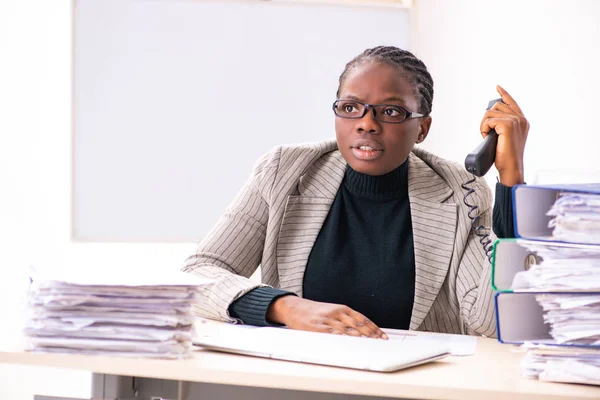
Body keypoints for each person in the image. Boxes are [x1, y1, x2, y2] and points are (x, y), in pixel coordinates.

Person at [183, 46, 529, 339]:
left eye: (391, 111)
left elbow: (493, 319)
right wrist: (284, 307)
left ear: (422, 128)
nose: (366, 123)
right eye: (351, 108)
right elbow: (197, 273)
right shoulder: (284, 171)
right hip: (300, 380)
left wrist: (510, 180)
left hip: (411, 388)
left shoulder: (459, 190)